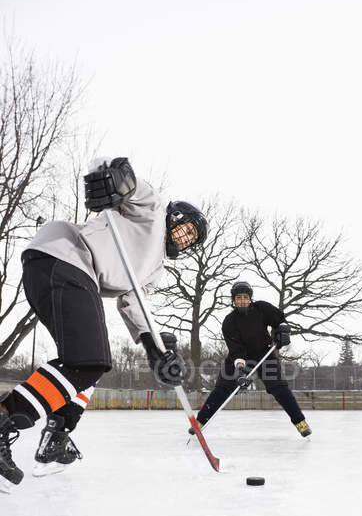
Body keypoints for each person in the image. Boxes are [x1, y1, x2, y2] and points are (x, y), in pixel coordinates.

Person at [0, 157, 209, 490]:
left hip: (57, 272)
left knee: (88, 363)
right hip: (66, 257)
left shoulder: (155, 270)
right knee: (91, 360)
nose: (185, 237)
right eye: (185, 228)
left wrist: (157, 350)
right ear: (174, 216)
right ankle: (6, 418)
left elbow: (135, 304)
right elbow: (117, 174)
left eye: (191, 238)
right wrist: (114, 179)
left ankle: (58, 433)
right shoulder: (152, 211)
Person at [190, 281, 312, 438]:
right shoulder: (229, 321)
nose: (242, 300)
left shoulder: (262, 308)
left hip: (264, 354)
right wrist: (241, 371)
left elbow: (279, 320)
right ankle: (200, 422)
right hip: (239, 357)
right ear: (233, 300)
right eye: (238, 297)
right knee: (222, 388)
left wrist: (283, 331)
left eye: (245, 297)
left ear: (250, 298)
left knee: (279, 388)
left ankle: (300, 422)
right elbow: (236, 350)